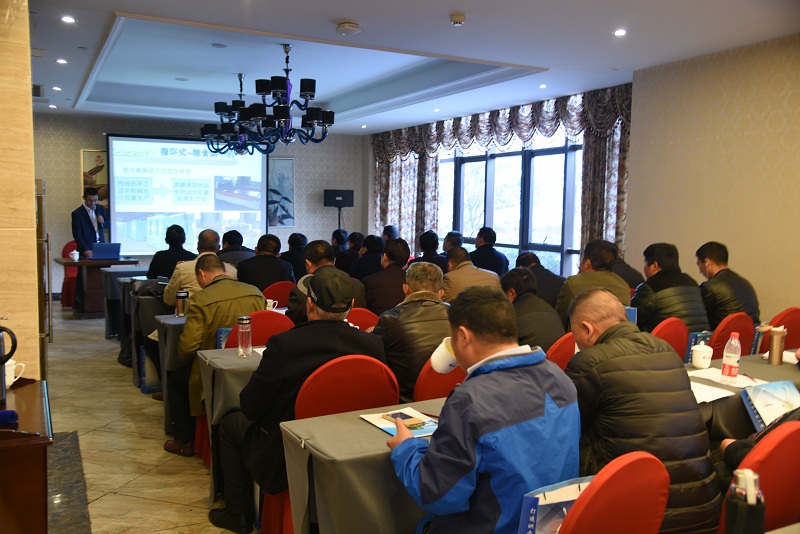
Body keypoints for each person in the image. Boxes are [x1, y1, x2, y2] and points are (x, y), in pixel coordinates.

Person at [387, 286, 580, 533]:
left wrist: (406, 449)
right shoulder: (560, 378)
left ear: (463, 337)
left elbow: (438, 494)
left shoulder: (469, 402)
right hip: (547, 525)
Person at [209, 268, 386, 532]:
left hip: (289, 451)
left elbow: (252, 407)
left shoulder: (284, 346)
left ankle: (238, 514)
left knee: (228, 424)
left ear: (309, 305)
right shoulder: (372, 345)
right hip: (352, 445)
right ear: (351, 305)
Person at [565, 288, 721, 533]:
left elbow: (564, 428)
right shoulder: (666, 350)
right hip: (704, 512)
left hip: (634, 518)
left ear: (587, 329)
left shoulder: (589, 362)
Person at [164, 254, 266, 457]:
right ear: (224, 271)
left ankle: (185, 441)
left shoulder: (200, 300)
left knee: (175, 381)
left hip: (211, 373)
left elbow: (187, 348)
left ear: (202, 274)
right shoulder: (255, 293)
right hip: (250, 367)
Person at [372, 262, 450, 402]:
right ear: (441, 293)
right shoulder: (458, 315)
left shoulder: (390, 319)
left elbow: (376, 363)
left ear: (405, 288)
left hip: (405, 402)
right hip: (449, 398)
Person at [631, 243, 709, 333]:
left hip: (665, 340)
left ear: (654, 266)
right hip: (698, 340)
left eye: (646, 263)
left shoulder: (649, 287)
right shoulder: (692, 282)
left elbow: (631, 320)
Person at [554, 239, 631, 329]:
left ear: (587, 263)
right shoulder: (623, 285)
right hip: (616, 336)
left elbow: (558, 321)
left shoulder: (573, 283)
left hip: (581, 336)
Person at [285, 240, 366, 325]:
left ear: (308, 264)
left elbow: (290, 324)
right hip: (353, 332)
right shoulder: (358, 286)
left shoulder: (301, 291)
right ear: (334, 261)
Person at [163, 229, 237, 306]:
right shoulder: (232, 271)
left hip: (190, 312)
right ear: (218, 248)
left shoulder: (182, 269)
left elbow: (169, 300)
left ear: (198, 245)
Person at [695, 241, 760, 329]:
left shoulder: (709, 287)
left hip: (725, 336)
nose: (700, 271)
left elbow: (698, 319)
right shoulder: (746, 283)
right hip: (751, 335)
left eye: (699, 264)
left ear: (707, 263)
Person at [501, 268, 565, 352]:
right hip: (560, 358)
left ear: (511, 293)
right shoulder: (549, 309)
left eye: (502, 294)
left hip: (531, 359)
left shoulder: (510, 316)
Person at [364, 238, 410, 316]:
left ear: (385, 256)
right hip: (407, 322)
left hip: (379, 322)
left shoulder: (370, 280)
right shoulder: (412, 281)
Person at [71, 187, 108, 258]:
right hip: (86, 249)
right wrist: (85, 249)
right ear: (84, 198)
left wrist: (103, 222)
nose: (93, 203)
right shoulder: (77, 213)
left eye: (95, 200)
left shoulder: (100, 208)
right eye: (90, 200)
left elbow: (108, 224)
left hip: (100, 246)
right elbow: (77, 235)